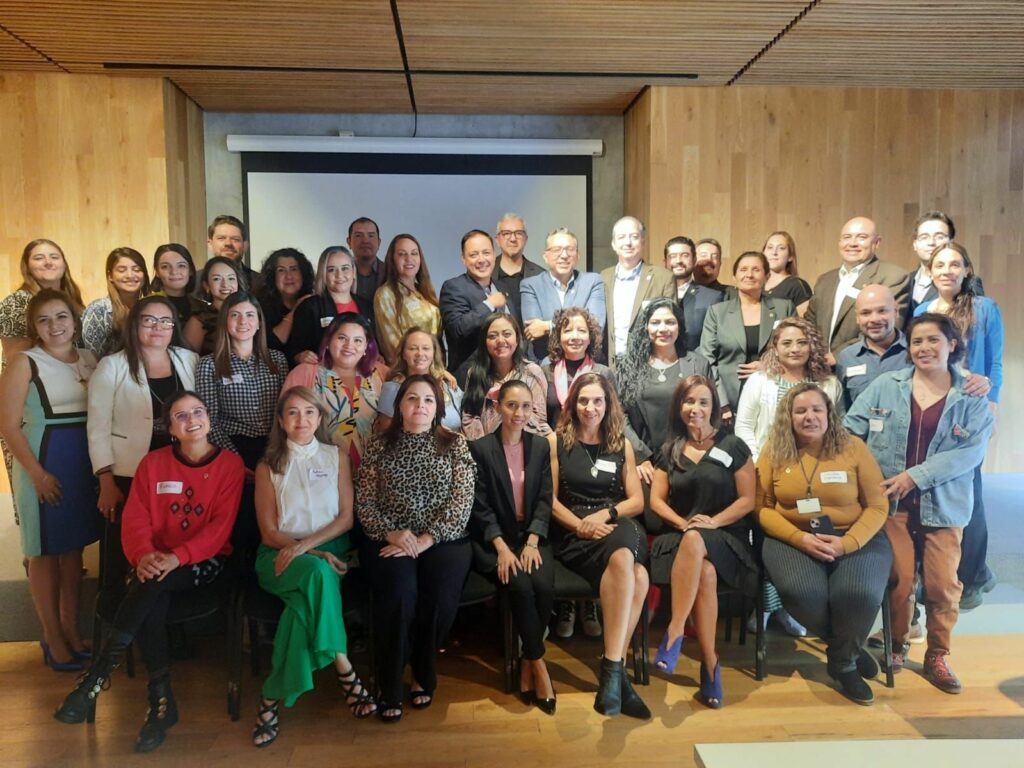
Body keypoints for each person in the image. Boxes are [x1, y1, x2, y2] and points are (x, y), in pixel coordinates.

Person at [55, 391, 243, 753]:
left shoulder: (229, 466)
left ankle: (102, 678)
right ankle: (160, 703)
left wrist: (176, 557)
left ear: (209, 418)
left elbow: (219, 530)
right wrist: (144, 555)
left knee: (151, 585)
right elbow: (135, 519)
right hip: (153, 562)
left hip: (204, 561)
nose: (192, 420)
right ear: (170, 428)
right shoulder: (152, 464)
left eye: (198, 412)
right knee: (152, 590)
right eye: (181, 416)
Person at [845, 315, 994, 693]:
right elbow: (850, 431)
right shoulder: (885, 386)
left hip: (945, 506)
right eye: (916, 342)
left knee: (943, 585)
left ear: (952, 345)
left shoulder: (972, 397)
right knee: (899, 580)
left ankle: (938, 655)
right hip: (892, 506)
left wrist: (916, 476)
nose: (924, 348)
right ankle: (896, 646)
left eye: (933, 340)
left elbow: (969, 454)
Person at [250, 387, 375, 748]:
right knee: (317, 575)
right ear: (280, 421)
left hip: (327, 547)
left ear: (320, 418)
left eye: (309, 412)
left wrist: (311, 547)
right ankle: (344, 669)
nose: (301, 420)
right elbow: (269, 532)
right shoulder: (267, 466)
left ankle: (271, 699)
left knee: (300, 608)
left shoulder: (336, 456)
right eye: (292, 412)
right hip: (278, 554)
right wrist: (302, 550)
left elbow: (347, 519)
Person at [757, 384, 892, 705]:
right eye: (800, 411)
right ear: (788, 417)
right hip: (791, 537)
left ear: (829, 414)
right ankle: (848, 647)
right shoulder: (774, 452)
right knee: (802, 594)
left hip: (856, 536)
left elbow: (877, 506)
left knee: (857, 595)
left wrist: (847, 543)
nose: (809, 417)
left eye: (817, 409)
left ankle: (842, 663)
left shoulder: (853, 447)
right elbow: (760, 507)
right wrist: (799, 538)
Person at [356, 375, 476, 723]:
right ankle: (390, 682)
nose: (419, 406)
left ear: (438, 407)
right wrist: (391, 533)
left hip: (444, 539)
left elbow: (461, 502)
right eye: (412, 398)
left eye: (427, 400)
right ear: (400, 406)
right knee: (399, 594)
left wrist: (427, 538)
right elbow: (364, 503)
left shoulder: (455, 444)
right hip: (389, 538)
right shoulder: (378, 445)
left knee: (439, 596)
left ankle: (423, 668)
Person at [0, 290, 99, 670]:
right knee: (42, 552)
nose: (54, 326)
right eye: (44, 320)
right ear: (34, 327)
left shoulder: (91, 359)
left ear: (74, 322)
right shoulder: (26, 361)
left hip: (81, 462)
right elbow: (8, 425)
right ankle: (52, 636)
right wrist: (37, 475)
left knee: (72, 550)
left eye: (61, 317)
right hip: (43, 460)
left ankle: (72, 630)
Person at [648, 375, 757, 708]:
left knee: (698, 540)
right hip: (680, 539)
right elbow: (656, 501)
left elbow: (747, 499)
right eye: (688, 401)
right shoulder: (669, 450)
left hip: (726, 538)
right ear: (679, 406)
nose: (695, 409)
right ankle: (711, 665)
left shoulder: (733, 446)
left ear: (715, 408)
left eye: (703, 402)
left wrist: (712, 522)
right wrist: (684, 524)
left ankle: (676, 629)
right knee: (704, 572)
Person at [547, 373, 650, 719]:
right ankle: (616, 674)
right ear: (572, 404)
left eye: (598, 401)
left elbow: (636, 501)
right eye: (583, 400)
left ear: (609, 405)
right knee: (639, 575)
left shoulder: (621, 445)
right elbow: (549, 499)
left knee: (625, 557)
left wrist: (606, 514)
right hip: (572, 531)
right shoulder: (556, 441)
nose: (590, 408)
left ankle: (611, 667)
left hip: (616, 521)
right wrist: (580, 525)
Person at [735, 317, 841, 636]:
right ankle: (766, 607)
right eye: (786, 343)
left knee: (805, 539)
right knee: (768, 541)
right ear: (775, 348)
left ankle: (793, 607)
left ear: (812, 346)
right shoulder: (760, 381)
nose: (794, 349)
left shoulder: (828, 385)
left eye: (801, 342)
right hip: (766, 476)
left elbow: (833, 431)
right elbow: (743, 427)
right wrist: (757, 467)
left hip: (811, 478)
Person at [913, 243, 1002, 609]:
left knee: (971, 494)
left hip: (969, 407)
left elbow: (995, 360)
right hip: (932, 406)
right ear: (930, 271)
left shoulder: (984, 308)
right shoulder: (922, 310)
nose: (947, 270)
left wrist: (992, 400)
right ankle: (935, 570)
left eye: (954, 264)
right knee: (935, 486)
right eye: (939, 265)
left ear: (966, 270)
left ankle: (973, 576)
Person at [468, 381, 556, 713]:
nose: (518, 413)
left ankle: (525, 659)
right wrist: (503, 549)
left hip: (531, 536)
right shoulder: (480, 449)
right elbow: (480, 507)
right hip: (496, 540)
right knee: (520, 585)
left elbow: (545, 499)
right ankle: (539, 665)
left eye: (525, 407)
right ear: (497, 408)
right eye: (511, 406)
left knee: (544, 586)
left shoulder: (541, 446)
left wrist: (533, 540)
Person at [88, 296, 199, 530]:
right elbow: (98, 428)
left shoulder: (189, 360)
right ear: (135, 324)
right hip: (129, 468)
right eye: (149, 320)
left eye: (166, 321)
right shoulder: (112, 365)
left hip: (181, 464)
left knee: (173, 531)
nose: (158, 327)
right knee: (134, 536)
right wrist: (105, 480)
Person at [1, 239, 86, 523]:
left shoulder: (71, 298)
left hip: (68, 406)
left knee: (65, 510)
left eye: (54, 256)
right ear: (27, 266)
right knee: (36, 505)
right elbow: (17, 358)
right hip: (33, 412)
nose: (48, 262)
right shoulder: (17, 302)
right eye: (39, 258)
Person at [196, 292, 287, 549]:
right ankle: (241, 579)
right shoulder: (209, 365)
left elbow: (285, 411)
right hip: (233, 448)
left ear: (259, 322)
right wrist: (234, 461)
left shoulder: (277, 361)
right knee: (243, 518)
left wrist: (279, 451)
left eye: (249, 315)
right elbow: (209, 420)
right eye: (234, 315)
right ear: (225, 322)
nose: (242, 321)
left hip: (273, 448)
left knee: (278, 515)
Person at [617, 298, 712, 482]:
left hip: (690, 457)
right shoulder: (628, 366)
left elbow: (709, 413)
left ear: (679, 326)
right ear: (645, 327)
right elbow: (620, 415)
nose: (663, 329)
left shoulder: (698, 364)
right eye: (655, 322)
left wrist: (692, 453)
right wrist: (640, 457)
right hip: (644, 463)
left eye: (670, 322)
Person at [699, 252, 795, 419]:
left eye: (756, 269)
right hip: (728, 401)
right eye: (743, 270)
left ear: (767, 275)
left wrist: (770, 366)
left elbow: (797, 349)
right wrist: (721, 402)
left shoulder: (784, 308)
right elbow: (707, 358)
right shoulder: (717, 312)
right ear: (734, 277)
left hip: (774, 393)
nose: (749, 274)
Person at [804, 216, 911, 359]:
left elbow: (888, 328)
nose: (852, 243)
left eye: (862, 237)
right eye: (847, 237)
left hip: (864, 363)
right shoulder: (825, 280)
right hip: (820, 368)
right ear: (840, 242)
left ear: (877, 243)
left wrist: (836, 356)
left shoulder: (894, 277)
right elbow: (809, 323)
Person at [285, 312, 384, 465]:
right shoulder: (304, 373)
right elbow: (285, 424)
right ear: (328, 341)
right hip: (321, 470)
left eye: (358, 340)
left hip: (374, 473)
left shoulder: (384, 374)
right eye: (342, 338)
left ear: (366, 346)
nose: (349, 345)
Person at [456, 313, 549, 441]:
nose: (500, 340)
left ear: (517, 339)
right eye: (493, 336)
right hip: (486, 452)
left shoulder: (532, 372)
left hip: (526, 446)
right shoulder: (475, 373)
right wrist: (487, 448)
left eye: (507, 334)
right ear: (485, 342)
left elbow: (539, 417)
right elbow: (470, 417)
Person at [520, 227, 606, 362]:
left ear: (578, 255)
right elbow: (533, 331)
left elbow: (596, 326)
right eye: (557, 250)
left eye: (570, 249)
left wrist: (547, 326)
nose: (564, 255)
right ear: (545, 256)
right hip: (546, 365)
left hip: (586, 365)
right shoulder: (530, 285)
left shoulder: (593, 282)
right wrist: (578, 325)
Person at [601, 216, 675, 363]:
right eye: (621, 237)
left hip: (649, 362)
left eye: (634, 237)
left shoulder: (663, 278)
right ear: (614, 244)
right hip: (610, 363)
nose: (628, 243)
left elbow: (670, 324)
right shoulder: (603, 278)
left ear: (643, 242)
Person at [288, 246, 375, 366]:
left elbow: (373, 345)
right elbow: (293, 350)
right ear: (323, 275)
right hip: (323, 375)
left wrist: (377, 355)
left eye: (345, 268)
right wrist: (300, 356)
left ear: (354, 272)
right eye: (331, 270)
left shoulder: (367, 306)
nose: (339, 275)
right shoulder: (310, 307)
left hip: (362, 376)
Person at [440, 229, 511, 374]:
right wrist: (489, 304)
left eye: (486, 253)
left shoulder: (503, 287)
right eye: (473, 255)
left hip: (508, 376)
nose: (481, 260)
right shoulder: (453, 287)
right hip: (473, 378)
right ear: (463, 259)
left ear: (494, 255)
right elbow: (458, 329)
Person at [376, 328, 463, 432]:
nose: (420, 353)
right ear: (403, 354)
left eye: (426, 348)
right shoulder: (393, 389)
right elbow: (386, 434)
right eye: (413, 348)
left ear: (433, 353)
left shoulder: (446, 384)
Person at [373, 234, 442, 365]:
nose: (409, 259)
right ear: (392, 259)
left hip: (434, 368)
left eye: (414, 253)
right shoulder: (385, 294)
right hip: (410, 373)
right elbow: (393, 347)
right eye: (402, 254)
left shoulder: (424, 292)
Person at [539, 307, 614, 426]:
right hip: (554, 441)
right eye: (568, 331)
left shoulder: (603, 373)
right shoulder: (544, 372)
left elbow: (612, 417)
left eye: (582, 331)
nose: (575, 337)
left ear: (590, 338)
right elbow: (538, 417)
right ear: (559, 337)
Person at [908, 211, 985, 314]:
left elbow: (976, 320)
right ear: (915, 244)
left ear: (951, 242)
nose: (931, 243)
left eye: (939, 237)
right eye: (924, 237)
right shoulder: (903, 281)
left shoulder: (967, 281)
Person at [82, 247, 150, 358]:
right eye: (122, 270)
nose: (130, 275)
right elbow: (92, 359)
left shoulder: (149, 309)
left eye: (137, 269)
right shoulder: (98, 310)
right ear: (110, 276)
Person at [663, 236, 724, 353]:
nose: (678, 260)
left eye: (685, 255)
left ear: (694, 260)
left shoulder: (712, 297)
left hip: (695, 366)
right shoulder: (654, 293)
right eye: (672, 256)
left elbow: (714, 342)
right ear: (665, 262)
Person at [256, 247, 315, 356]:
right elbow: (272, 344)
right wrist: (296, 309)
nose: (288, 276)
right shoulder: (260, 307)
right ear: (272, 276)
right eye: (281, 270)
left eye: (294, 269)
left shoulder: (314, 303)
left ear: (303, 273)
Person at [183, 256, 244, 356]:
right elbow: (188, 361)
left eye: (231, 278)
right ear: (206, 286)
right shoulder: (200, 320)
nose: (225, 284)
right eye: (217, 279)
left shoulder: (248, 314)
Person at [494, 213, 544, 325]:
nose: (513, 239)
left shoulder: (541, 275)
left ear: (526, 239)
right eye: (506, 233)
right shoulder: (486, 273)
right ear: (497, 240)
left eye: (518, 233)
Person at [148, 244, 200, 325]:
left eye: (181, 266)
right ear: (157, 272)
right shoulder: (147, 304)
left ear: (191, 270)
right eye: (165, 267)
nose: (174, 272)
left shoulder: (201, 307)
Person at [762, 231, 812, 313]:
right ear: (763, 253)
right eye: (770, 247)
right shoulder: (756, 285)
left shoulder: (797, 286)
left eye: (781, 248)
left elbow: (802, 323)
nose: (774, 252)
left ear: (790, 257)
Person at [208, 214, 260, 291]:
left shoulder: (260, 283)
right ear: (210, 244)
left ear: (245, 245)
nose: (228, 243)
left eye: (235, 239)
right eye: (221, 238)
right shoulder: (194, 281)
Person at [348, 217, 385, 304]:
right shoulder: (338, 274)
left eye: (371, 235)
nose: (365, 240)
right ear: (349, 242)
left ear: (379, 242)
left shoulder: (392, 273)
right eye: (358, 235)